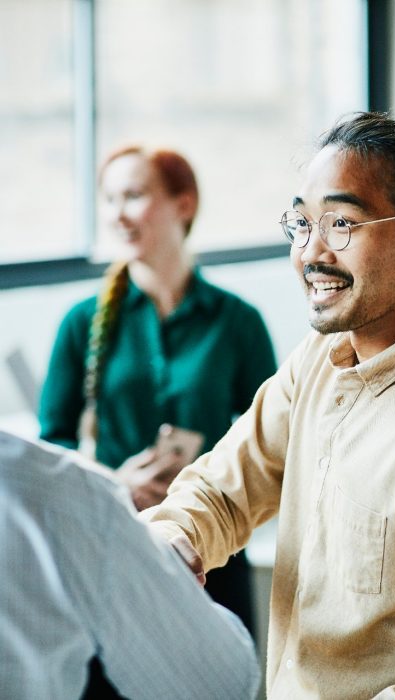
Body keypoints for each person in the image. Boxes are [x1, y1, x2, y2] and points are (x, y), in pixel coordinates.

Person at [143, 111, 395, 698]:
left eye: (342, 223)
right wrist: (178, 539)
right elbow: (223, 490)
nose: (310, 252)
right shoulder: (319, 360)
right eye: (302, 222)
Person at [38, 145, 276, 638]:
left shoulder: (237, 322)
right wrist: (111, 483)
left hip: (212, 553)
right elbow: (51, 447)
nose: (116, 214)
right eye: (109, 199)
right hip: (112, 546)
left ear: (183, 205)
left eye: (134, 196)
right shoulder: (80, 324)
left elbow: (273, 442)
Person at [0, 430, 260, 700]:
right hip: (120, 538)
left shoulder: (56, 490)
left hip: (200, 552)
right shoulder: (60, 491)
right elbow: (217, 684)